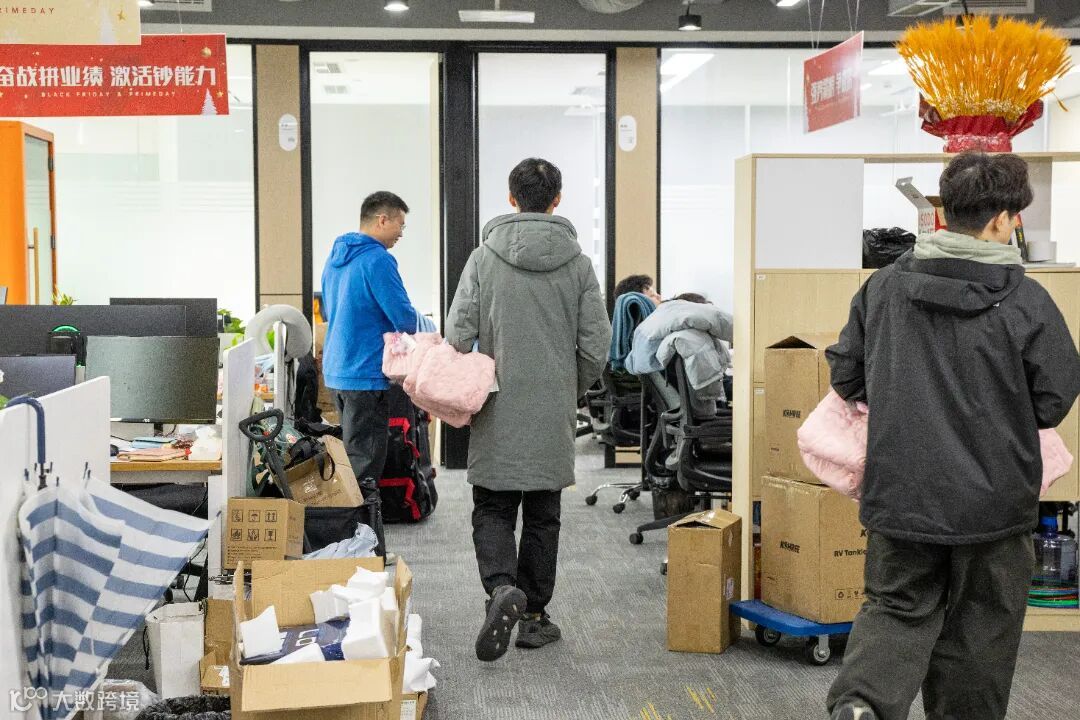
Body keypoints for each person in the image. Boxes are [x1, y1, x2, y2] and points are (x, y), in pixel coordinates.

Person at [825, 153, 1080, 720]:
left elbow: (846, 374)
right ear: (1001, 219)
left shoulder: (882, 288)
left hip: (901, 493)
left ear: (946, 211)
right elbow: (1054, 398)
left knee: (895, 608)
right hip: (995, 503)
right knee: (981, 629)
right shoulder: (1026, 301)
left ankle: (862, 706)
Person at [446, 158, 611, 662]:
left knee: (493, 506)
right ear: (557, 199)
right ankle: (535, 617)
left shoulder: (483, 259)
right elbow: (596, 345)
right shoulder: (579, 265)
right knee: (543, 514)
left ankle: (501, 589)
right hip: (551, 407)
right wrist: (567, 387)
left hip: (497, 402)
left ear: (511, 198)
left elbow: (458, 334)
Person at [321, 191, 420, 557]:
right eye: (400, 225)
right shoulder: (378, 260)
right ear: (382, 220)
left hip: (338, 370)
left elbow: (330, 311)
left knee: (352, 464)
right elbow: (404, 317)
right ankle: (362, 555)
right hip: (364, 373)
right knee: (365, 472)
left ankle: (356, 549)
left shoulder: (336, 257)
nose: (401, 234)